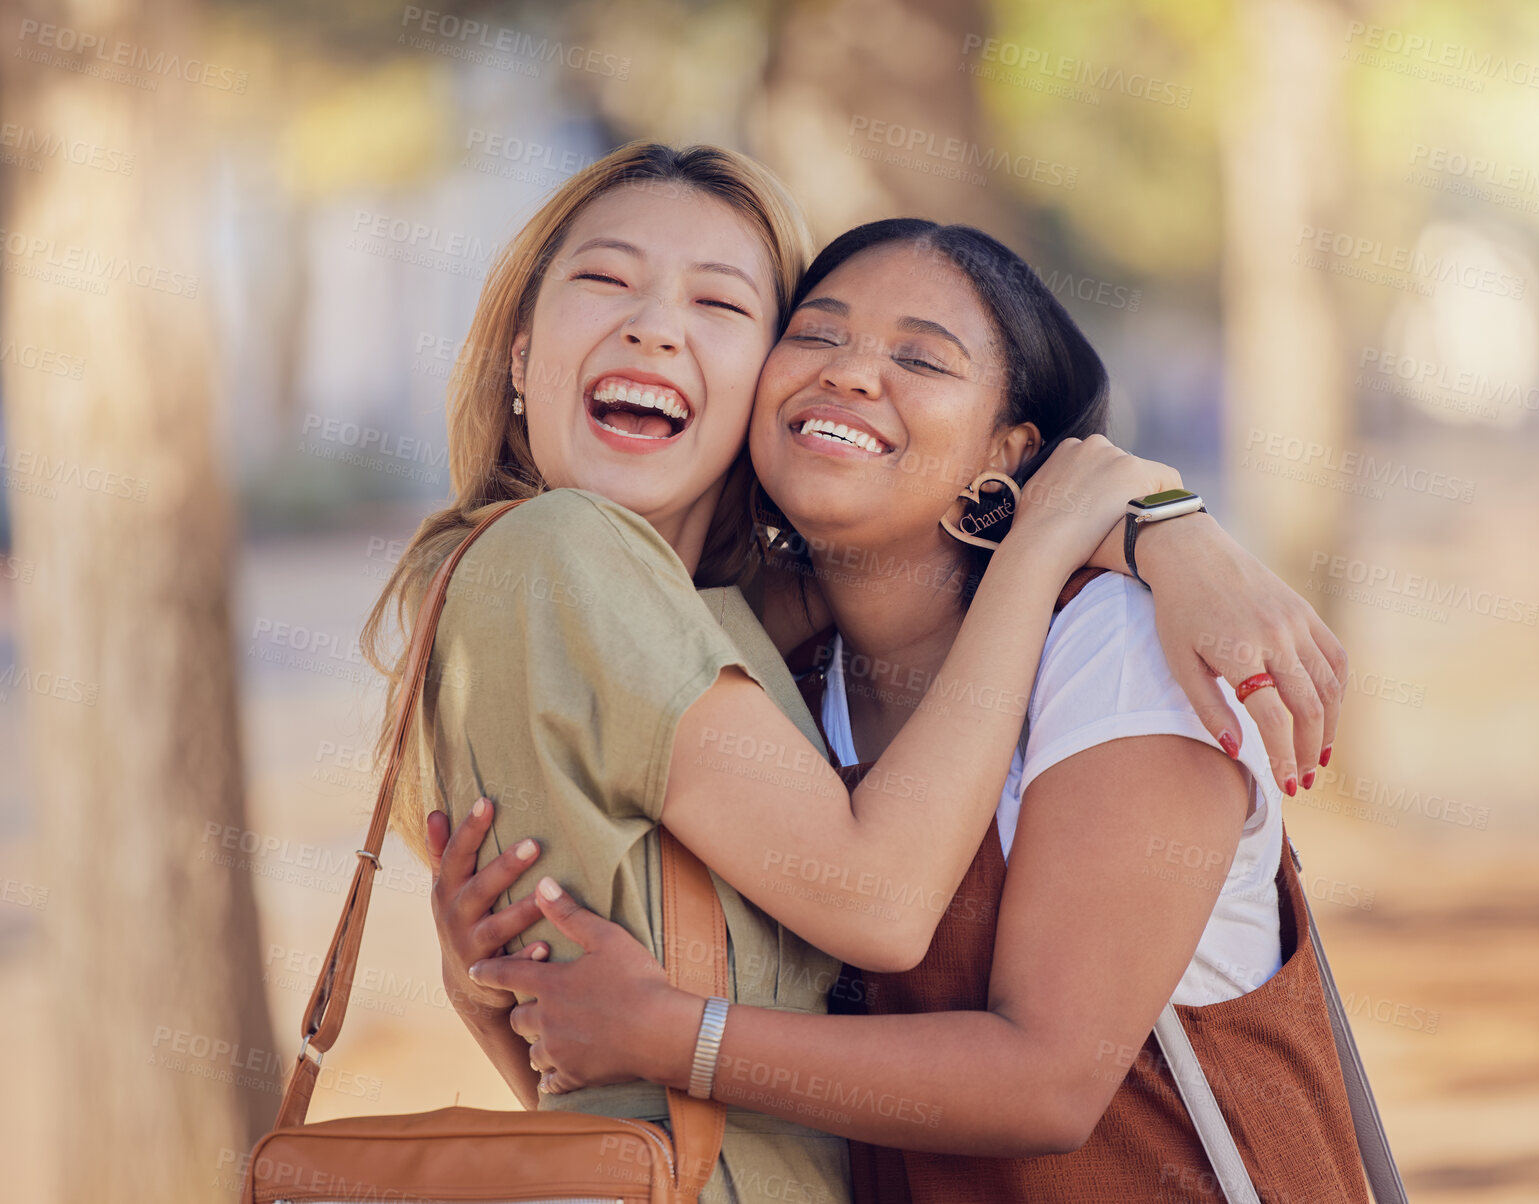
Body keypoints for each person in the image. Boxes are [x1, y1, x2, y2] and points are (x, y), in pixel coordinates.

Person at [364, 142, 1344, 1202]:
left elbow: (1049, 1084)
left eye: (921, 360)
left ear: (1007, 452)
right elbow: (608, 1080)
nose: (850, 371)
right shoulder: (775, 669)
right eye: (816, 334)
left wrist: (1139, 528)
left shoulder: (1113, 649)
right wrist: (497, 981)